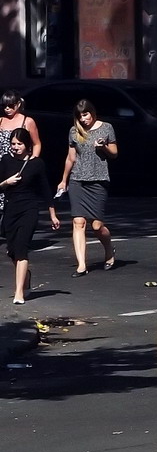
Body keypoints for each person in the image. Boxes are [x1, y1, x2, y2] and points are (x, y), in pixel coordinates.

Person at [56, 99, 117, 276]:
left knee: (97, 226)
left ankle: (109, 249)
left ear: (92, 112)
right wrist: (63, 180)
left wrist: (104, 147)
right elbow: (70, 158)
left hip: (98, 180)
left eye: (86, 114)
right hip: (78, 180)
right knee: (78, 221)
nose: (83, 119)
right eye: (80, 116)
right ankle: (81, 265)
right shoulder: (74, 131)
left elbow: (114, 153)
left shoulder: (106, 127)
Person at [0, 128, 60, 304]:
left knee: (21, 249)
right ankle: (26, 274)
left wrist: (53, 214)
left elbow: (45, 190)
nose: (15, 147)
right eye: (13, 144)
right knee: (12, 250)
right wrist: (6, 182)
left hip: (29, 209)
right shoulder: (5, 161)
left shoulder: (37, 164)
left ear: (27, 145)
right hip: (11, 209)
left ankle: (19, 292)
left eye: (19, 144)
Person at [0, 90, 43, 218]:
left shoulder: (27, 121)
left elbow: (36, 144)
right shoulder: (1, 121)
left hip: (20, 164)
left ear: (18, 104)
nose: (7, 109)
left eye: (11, 106)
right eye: (4, 106)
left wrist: (32, 162)